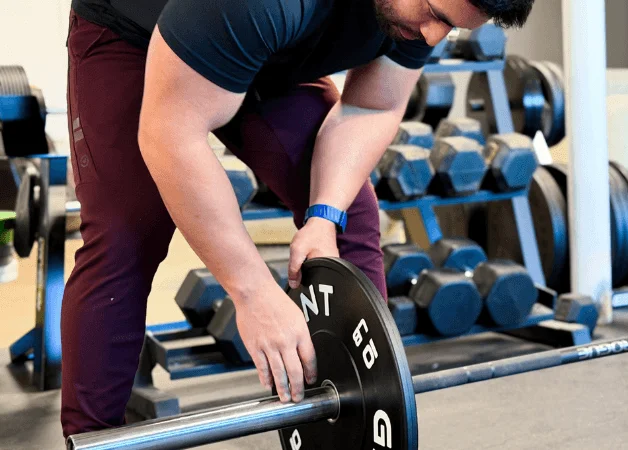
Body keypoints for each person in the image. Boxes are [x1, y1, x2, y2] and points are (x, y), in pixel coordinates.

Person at [60, 0, 534, 438]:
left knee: (351, 212)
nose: (431, 37)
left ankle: (366, 425)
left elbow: (375, 104)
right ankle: (92, 438)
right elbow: (170, 136)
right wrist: (253, 292)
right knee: (125, 239)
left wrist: (325, 214)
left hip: (268, 50)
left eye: (450, 26)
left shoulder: (415, 16)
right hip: (131, 36)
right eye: (432, 12)